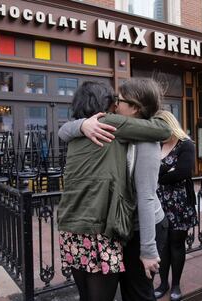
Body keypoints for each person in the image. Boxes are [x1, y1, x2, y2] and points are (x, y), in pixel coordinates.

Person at [57, 80, 171, 301]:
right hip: (112, 226)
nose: (116, 104)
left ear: (136, 107)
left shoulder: (134, 137)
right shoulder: (104, 126)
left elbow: (147, 197)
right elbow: (163, 130)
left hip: (135, 226)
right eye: (113, 100)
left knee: (135, 293)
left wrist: (148, 250)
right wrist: (81, 125)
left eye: (120, 100)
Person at [153, 111, 198, 301]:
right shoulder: (157, 144)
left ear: (169, 124)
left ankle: (176, 285)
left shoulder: (186, 144)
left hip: (180, 203)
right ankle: (163, 283)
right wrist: (165, 171)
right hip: (159, 202)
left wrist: (159, 174)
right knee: (162, 245)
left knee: (176, 244)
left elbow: (182, 172)